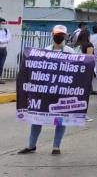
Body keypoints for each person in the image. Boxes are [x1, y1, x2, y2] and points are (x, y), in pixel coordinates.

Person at [18, 25, 75, 155]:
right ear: (52, 35)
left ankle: (56, 146)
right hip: (44, 90)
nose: (59, 37)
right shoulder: (44, 51)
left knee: (60, 118)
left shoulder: (70, 52)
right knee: (38, 117)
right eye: (57, 35)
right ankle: (31, 145)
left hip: (62, 91)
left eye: (61, 35)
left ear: (65, 36)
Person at [0, 17, 9, 84]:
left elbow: (9, 39)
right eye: (2, 23)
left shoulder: (6, 30)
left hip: (4, 50)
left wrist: (2, 41)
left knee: (1, 65)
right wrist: (4, 40)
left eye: (4, 23)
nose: (3, 24)